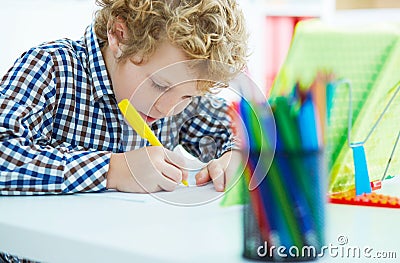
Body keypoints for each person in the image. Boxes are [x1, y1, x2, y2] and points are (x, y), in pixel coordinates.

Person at [0, 0, 248, 196]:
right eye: (158, 85)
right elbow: (4, 153)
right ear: (119, 35)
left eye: (187, 96)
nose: (168, 108)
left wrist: (233, 158)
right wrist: (114, 170)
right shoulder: (51, 67)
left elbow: (239, 129)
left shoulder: (178, 96)